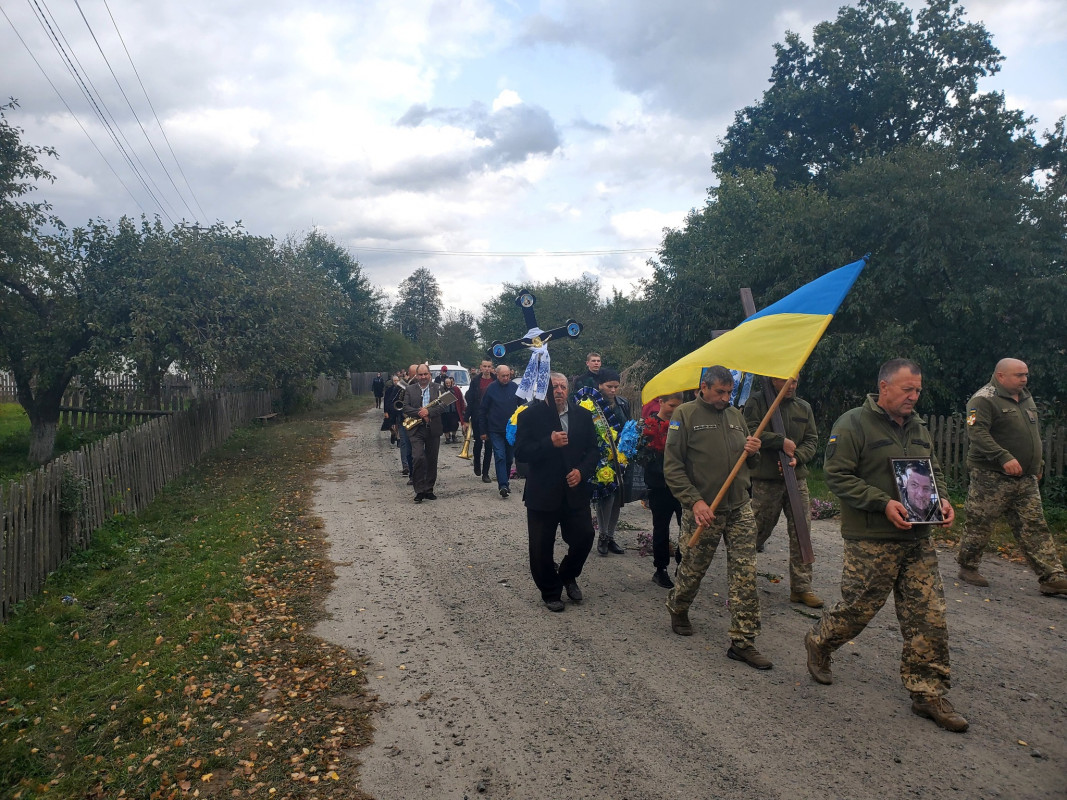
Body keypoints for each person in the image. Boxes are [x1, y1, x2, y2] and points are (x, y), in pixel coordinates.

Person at [804, 359, 967, 733]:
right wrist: (883, 502)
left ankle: (927, 692)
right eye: (908, 389)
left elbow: (932, 470)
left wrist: (941, 500)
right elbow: (837, 475)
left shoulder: (919, 426)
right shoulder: (852, 424)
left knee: (928, 616)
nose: (914, 396)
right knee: (859, 609)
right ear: (884, 387)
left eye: (918, 390)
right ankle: (820, 640)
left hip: (918, 537)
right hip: (871, 538)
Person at [664, 365, 770, 670]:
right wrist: (695, 502)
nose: (725, 398)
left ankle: (743, 641)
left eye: (729, 392)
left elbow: (751, 462)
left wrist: (754, 451)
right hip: (704, 510)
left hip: (738, 507)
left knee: (745, 573)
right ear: (704, 387)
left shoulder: (736, 417)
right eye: (720, 392)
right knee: (693, 569)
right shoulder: (684, 415)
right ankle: (678, 605)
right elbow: (672, 467)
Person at [956, 358, 1067, 595]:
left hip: (1025, 477)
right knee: (980, 523)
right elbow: (976, 432)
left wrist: (1038, 463)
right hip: (991, 475)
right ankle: (968, 566)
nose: (1024, 379)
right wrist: (1003, 457)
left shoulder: (1026, 397)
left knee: (1034, 524)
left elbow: (1032, 433)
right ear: (1000, 375)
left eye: (1026, 375)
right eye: (1018, 375)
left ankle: (1052, 577)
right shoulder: (982, 399)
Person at [515, 373, 600, 612]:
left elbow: (593, 451)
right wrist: (547, 443)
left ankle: (567, 574)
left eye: (563, 386)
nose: (559, 390)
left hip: (574, 491)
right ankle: (550, 591)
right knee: (541, 546)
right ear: (545, 390)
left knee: (584, 537)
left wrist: (582, 472)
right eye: (554, 387)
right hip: (543, 492)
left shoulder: (582, 416)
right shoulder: (530, 415)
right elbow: (520, 453)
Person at [744, 376, 823, 608]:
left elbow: (811, 440)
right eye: (786, 381)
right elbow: (749, 431)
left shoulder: (803, 407)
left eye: (796, 381)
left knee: (801, 531)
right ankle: (742, 579)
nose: (793, 386)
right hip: (766, 480)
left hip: (796, 479)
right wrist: (780, 441)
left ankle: (801, 588)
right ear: (772, 380)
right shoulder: (757, 402)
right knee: (757, 531)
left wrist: (798, 457)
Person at [576, 369, 631, 555]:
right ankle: (603, 535)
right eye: (609, 386)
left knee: (617, 498)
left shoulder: (622, 404)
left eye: (616, 387)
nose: (613, 390)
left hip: (620, 456)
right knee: (604, 498)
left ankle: (611, 536)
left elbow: (627, 426)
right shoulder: (590, 403)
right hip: (599, 456)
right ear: (600, 385)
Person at [639, 393, 684, 588]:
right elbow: (643, 457)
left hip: (682, 485)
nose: (674, 410)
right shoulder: (650, 425)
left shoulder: (683, 424)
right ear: (661, 403)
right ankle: (661, 569)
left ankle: (683, 565)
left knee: (686, 527)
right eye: (671, 405)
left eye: (678, 406)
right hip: (659, 486)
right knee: (661, 528)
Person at [402, 364, 450, 502]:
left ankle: (429, 489)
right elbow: (405, 407)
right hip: (416, 429)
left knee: (431, 459)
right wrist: (420, 413)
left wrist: (429, 412)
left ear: (430, 375)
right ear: (416, 376)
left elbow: (444, 405)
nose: (423, 377)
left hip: (433, 428)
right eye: (420, 375)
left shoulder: (439, 387)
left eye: (425, 374)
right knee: (417, 457)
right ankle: (419, 490)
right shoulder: (410, 389)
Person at [478, 365, 521, 498]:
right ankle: (502, 485)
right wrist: (483, 431)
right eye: (503, 376)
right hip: (495, 429)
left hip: (510, 430)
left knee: (509, 458)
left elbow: (523, 406)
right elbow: (483, 410)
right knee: (500, 456)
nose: (506, 378)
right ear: (497, 375)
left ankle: (505, 481)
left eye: (508, 375)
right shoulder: (490, 389)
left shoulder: (515, 387)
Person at [464, 359, 495, 482]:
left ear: (492, 368)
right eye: (485, 366)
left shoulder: (495, 380)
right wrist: (466, 419)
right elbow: (470, 401)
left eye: (489, 366)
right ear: (481, 367)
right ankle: (477, 462)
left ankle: (486, 473)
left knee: (489, 445)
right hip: (478, 416)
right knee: (478, 443)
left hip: (491, 417)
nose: (487, 369)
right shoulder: (475, 381)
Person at [440, 376, 465, 444]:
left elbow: (461, 399)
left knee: (454, 424)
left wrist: (463, 409)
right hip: (445, 411)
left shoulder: (455, 389)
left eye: (449, 383)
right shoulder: (441, 390)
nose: (448, 384)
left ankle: (454, 436)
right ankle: (447, 438)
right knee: (445, 425)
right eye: (446, 383)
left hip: (454, 410)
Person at [382, 375, 404, 444]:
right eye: (395, 381)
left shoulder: (401, 389)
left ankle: (398, 438)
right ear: (392, 381)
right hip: (390, 409)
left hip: (398, 409)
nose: (396, 382)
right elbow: (386, 401)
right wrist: (385, 411)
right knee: (389, 424)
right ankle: (393, 433)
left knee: (398, 424)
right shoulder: (389, 390)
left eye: (397, 380)